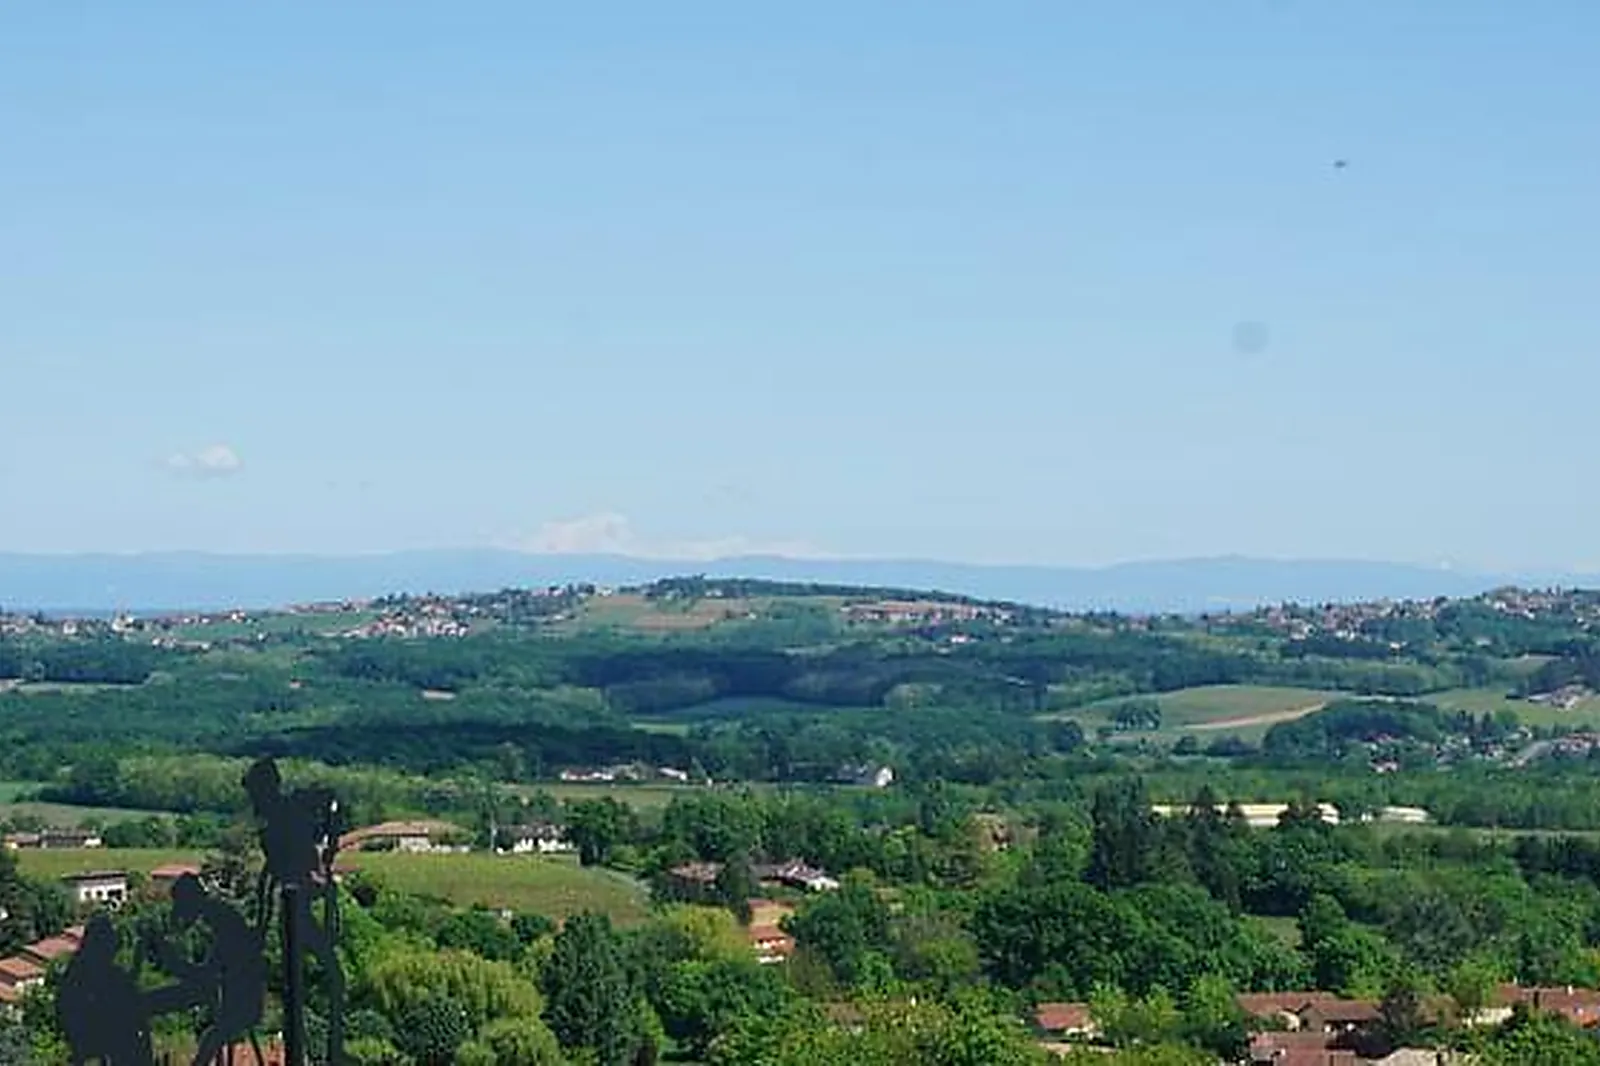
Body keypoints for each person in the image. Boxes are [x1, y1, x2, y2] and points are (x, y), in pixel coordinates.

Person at [157, 874, 269, 1066]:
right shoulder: (220, 917)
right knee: (210, 1037)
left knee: (211, 1039)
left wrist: (173, 962)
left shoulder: (223, 922)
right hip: (237, 996)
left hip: (243, 1002)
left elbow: (205, 974)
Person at [57, 914, 155, 1066]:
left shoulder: (79, 966)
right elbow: (125, 990)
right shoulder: (95, 969)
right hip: (97, 1037)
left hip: (87, 1037)